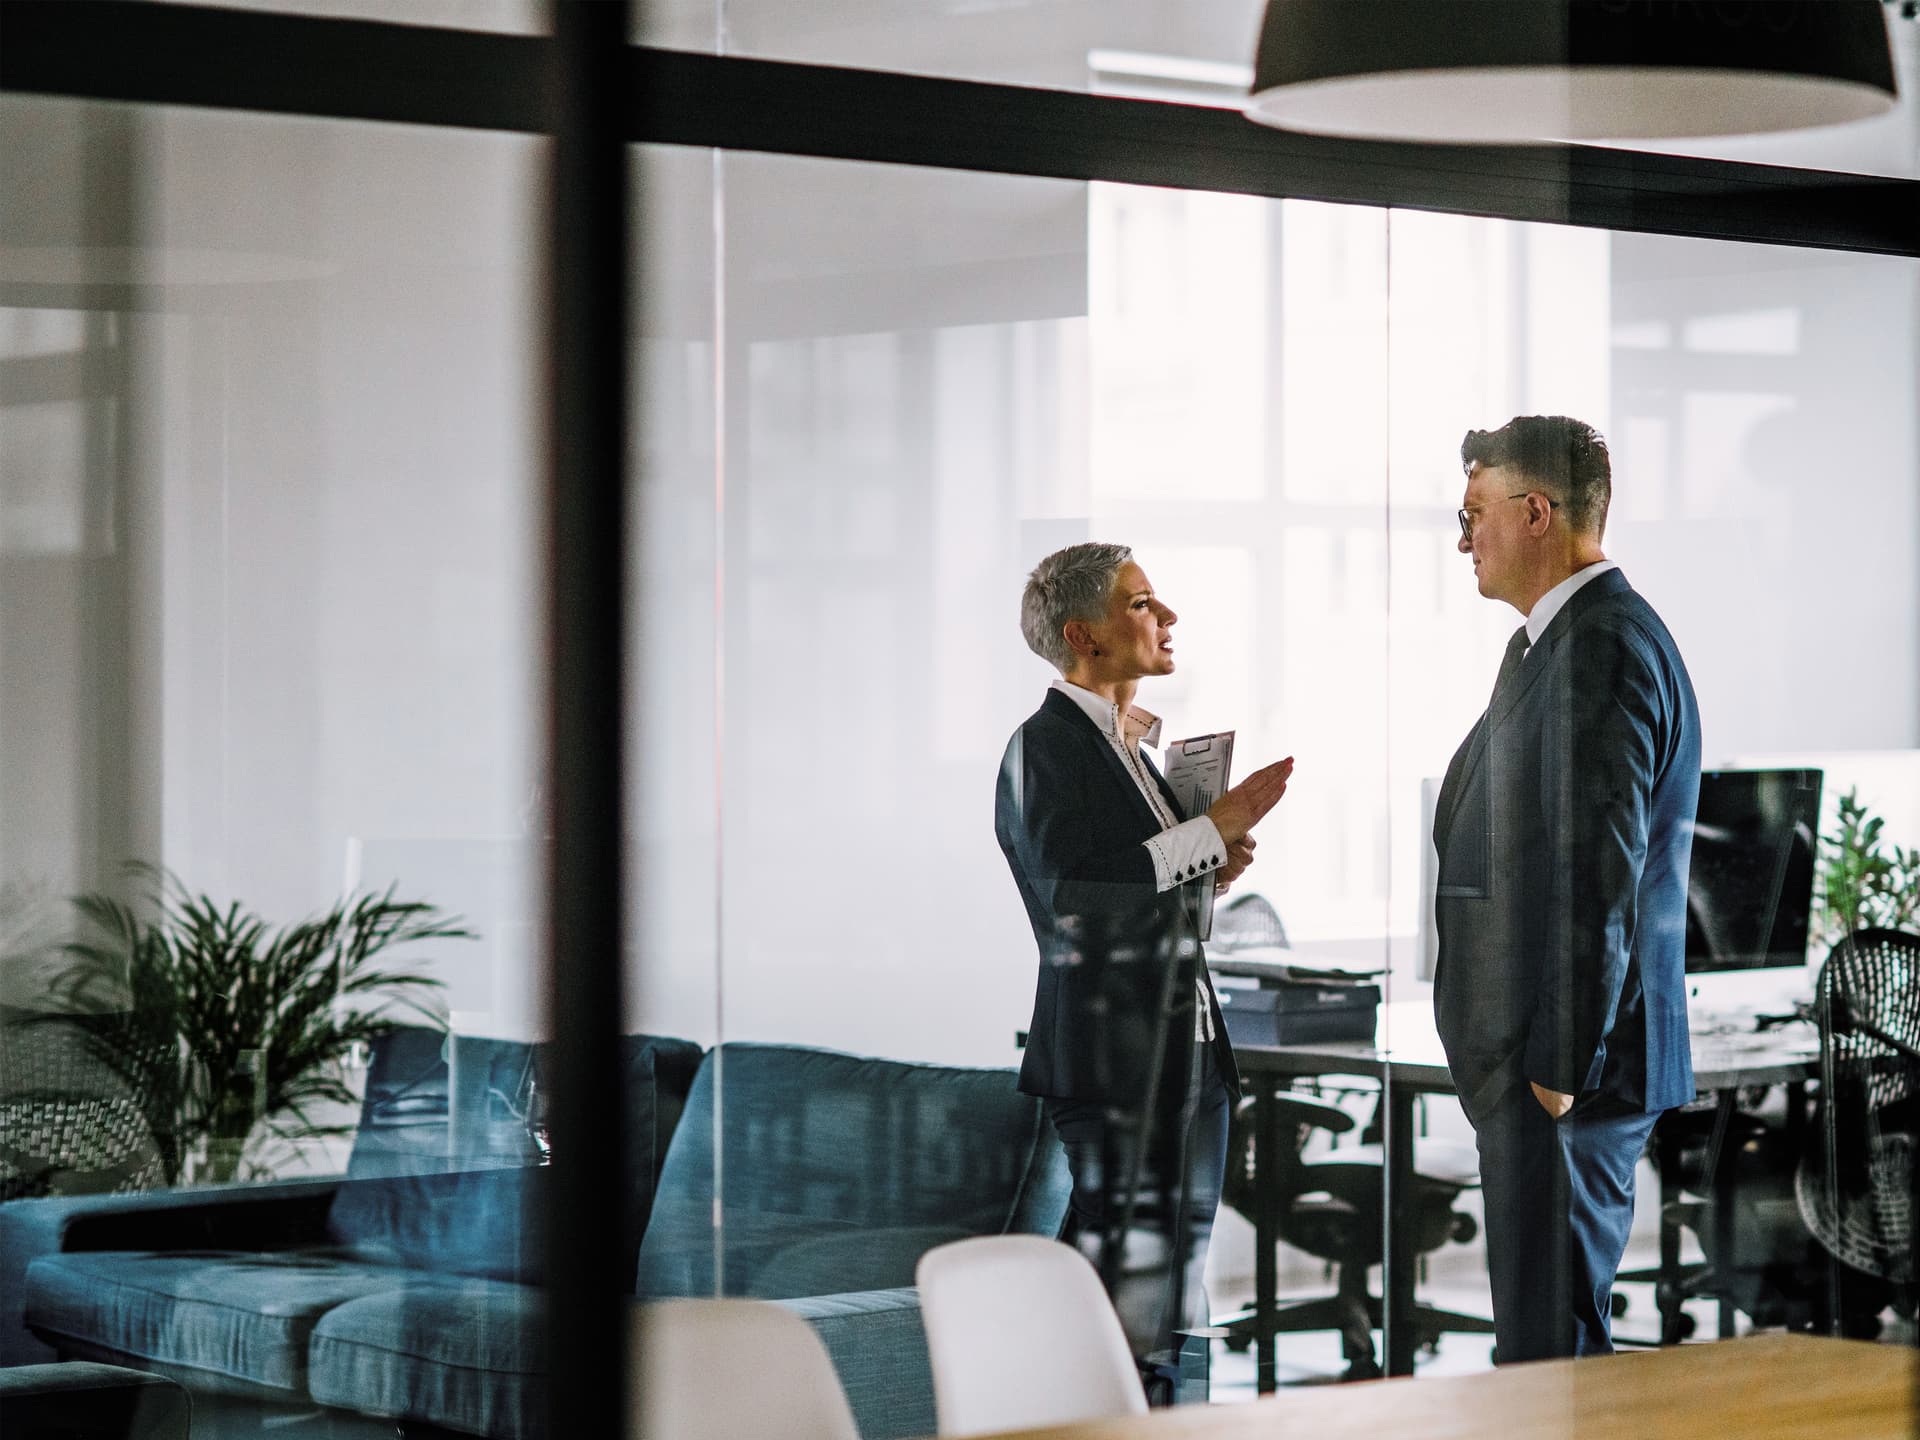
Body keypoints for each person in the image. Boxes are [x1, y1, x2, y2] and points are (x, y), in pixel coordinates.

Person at [1432, 415, 1701, 1364]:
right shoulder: (1554, 644)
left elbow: (1600, 877)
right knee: (1539, 1350)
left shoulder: (1603, 646)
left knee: (1549, 1359)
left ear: (1535, 512)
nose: (1462, 539)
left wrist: (1555, 1071)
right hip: (1547, 1068)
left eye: (1472, 514)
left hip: (1567, 1074)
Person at [994, 541, 1294, 1387]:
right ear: (1083, 634)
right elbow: (1073, 898)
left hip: (1188, 1054)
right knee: (1124, 1305)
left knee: (1168, 1302)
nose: (1167, 618)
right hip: (1114, 1062)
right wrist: (1212, 829)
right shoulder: (1041, 749)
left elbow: (1150, 887)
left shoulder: (1134, 752)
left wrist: (1212, 863)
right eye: (1142, 603)